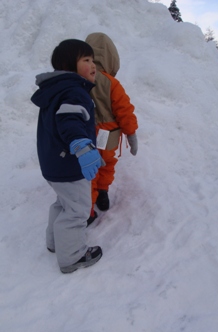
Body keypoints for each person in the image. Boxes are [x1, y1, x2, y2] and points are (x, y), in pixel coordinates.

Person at [31, 39, 103, 274]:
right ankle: (72, 256)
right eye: (86, 60)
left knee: (63, 202)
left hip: (54, 163)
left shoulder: (56, 90)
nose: (93, 65)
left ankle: (55, 242)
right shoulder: (74, 91)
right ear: (69, 66)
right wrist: (82, 145)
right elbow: (69, 121)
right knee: (78, 210)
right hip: (70, 164)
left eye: (93, 60)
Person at [85, 32, 138, 224]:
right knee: (106, 164)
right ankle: (103, 193)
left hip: (85, 134)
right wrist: (131, 133)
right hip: (108, 136)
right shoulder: (112, 83)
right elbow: (124, 110)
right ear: (111, 58)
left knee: (88, 172)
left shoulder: (79, 78)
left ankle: (88, 209)